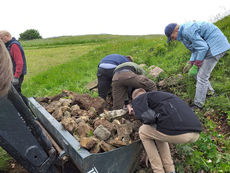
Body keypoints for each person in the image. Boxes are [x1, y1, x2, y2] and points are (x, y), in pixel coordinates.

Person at [127, 88, 202, 173]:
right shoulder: (161, 96)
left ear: (134, 98)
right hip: (196, 132)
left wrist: (135, 112)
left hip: (181, 132)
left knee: (143, 131)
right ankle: (170, 170)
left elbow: (148, 118)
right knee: (158, 130)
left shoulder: (139, 98)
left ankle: (158, 171)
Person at [164, 22, 230, 109]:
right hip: (209, 46)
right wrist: (191, 63)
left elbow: (203, 48)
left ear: (176, 30)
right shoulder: (183, 35)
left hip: (216, 46)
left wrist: (196, 65)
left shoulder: (187, 31)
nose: (173, 39)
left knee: (202, 76)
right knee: (196, 73)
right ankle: (210, 93)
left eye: (172, 37)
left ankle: (198, 104)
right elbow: (195, 49)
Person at [0, 30, 27, 95]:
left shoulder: (14, 45)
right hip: (12, 74)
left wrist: (16, 76)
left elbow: (19, 62)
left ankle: (25, 104)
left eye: (1, 38)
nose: (0, 41)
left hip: (16, 75)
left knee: (16, 93)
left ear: (7, 36)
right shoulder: (9, 45)